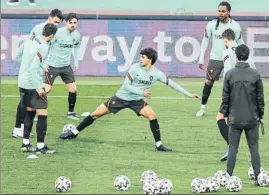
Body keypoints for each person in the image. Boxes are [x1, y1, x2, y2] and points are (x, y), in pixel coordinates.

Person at [59, 48, 200, 152]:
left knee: (152, 115)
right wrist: (141, 92)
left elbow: (172, 83)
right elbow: (126, 86)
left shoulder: (156, 73)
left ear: (149, 59)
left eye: (143, 57)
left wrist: (188, 94)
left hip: (136, 101)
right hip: (121, 97)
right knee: (95, 114)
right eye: (140, 57)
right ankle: (75, 133)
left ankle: (158, 145)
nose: (140, 59)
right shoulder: (134, 68)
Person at [12, 9, 64, 138]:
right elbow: (30, 53)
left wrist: (39, 64)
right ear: (50, 17)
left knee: (28, 103)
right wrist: (31, 65)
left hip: (29, 72)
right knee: (26, 103)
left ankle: (23, 132)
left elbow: (21, 54)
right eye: (55, 22)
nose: (56, 25)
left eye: (58, 23)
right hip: (31, 75)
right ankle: (19, 128)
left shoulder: (47, 36)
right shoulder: (39, 31)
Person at [219, 44, 265, 185]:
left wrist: (225, 114)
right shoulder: (255, 74)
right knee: (254, 148)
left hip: (235, 118)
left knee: (233, 147)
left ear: (236, 56)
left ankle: (228, 175)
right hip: (252, 118)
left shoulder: (230, 74)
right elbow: (260, 98)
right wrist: (260, 115)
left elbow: (225, 98)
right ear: (248, 56)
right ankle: (258, 178)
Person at [196, 1, 244, 117]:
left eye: (223, 11)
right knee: (209, 81)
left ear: (228, 12)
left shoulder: (235, 26)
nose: (220, 13)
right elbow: (205, 41)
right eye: (219, 11)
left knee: (232, 83)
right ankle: (202, 108)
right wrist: (201, 58)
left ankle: (233, 110)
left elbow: (240, 42)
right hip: (215, 58)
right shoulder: (212, 24)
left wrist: (244, 57)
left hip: (230, 57)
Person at [18, 23, 58, 154]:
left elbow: (17, 56)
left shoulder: (30, 39)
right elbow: (33, 68)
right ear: (51, 35)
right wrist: (39, 87)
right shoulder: (43, 47)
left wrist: (41, 66)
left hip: (22, 82)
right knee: (42, 114)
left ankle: (25, 144)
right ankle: (41, 146)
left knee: (30, 112)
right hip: (32, 84)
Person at [216, 29, 256, 161]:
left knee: (221, 118)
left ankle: (231, 147)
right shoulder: (244, 51)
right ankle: (252, 155)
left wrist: (225, 96)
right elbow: (254, 70)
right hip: (249, 90)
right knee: (247, 123)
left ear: (225, 39)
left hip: (234, 91)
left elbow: (228, 74)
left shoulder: (227, 52)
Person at [44, 13, 81, 120]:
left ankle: (70, 113)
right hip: (52, 65)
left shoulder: (77, 35)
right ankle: (34, 110)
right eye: (71, 23)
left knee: (73, 89)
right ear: (66, 23)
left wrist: (76, 62)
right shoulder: (58, 33)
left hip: (66, 66)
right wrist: (45, 63)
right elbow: (47, 46)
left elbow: (76, 48)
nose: (73, 25)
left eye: (75, 23)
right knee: (46, 89)